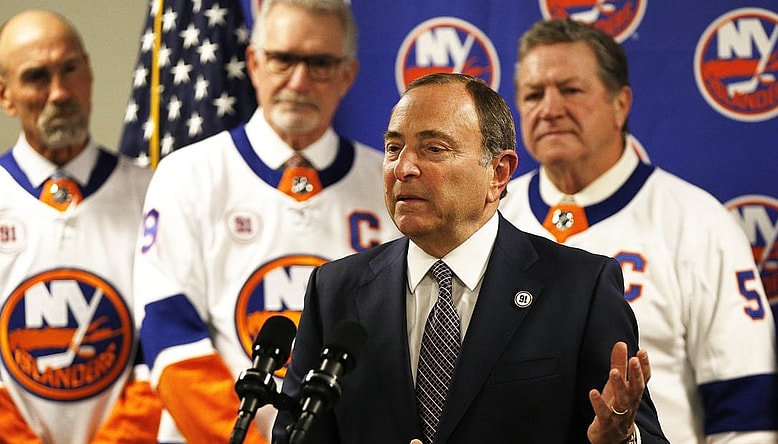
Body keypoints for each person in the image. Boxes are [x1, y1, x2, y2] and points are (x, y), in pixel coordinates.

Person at [272, 72, 667, 443]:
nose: (403, 168)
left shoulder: (581, 290)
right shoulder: (334, 291)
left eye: (434, 148)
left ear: (498, 173)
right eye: (394, 148)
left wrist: (620, 440)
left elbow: (637, 431)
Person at [500, 18, 778, 443]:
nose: (550, 108)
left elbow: (747, 412)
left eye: (571, 90)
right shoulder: (490, 217)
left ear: (621, 103)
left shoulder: (696, 222)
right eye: (533, 94)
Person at [132, 0, 401, 442]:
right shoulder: (189, 174)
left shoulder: (390, 183)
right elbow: (171, 338)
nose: (298, 81)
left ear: (347, 75)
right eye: (283, 59)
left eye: (319, 63)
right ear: (254, 62)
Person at [0, 10, 160, 444]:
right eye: (36, 77)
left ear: (89, 73)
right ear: (5, 96)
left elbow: (169, 340)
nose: (59, 92)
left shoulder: (157, 194)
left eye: (70, 68)